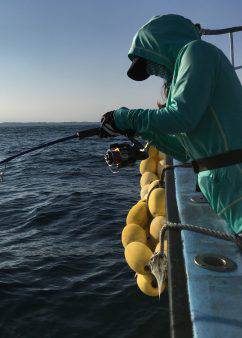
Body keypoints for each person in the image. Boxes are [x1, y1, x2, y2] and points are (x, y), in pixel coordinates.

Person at [99, 14, 242, 233]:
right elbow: (184, 152)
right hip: (224, 187)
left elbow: (180, 117)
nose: (153, 71)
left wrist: (125, 117)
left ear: (160, 45)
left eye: (149, 63)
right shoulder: (185, 72)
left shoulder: (196, 52)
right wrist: (140, 129)